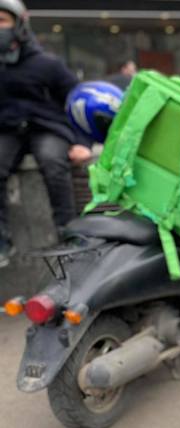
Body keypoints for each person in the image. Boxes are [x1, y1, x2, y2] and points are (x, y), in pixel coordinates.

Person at [0, 0, 93, 267]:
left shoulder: (48, 64)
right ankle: (2, 242)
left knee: (53, 161)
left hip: (48, 129)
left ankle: (69, 233)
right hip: (9, 131)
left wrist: (83, 142)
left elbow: (80, 102)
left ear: (20, 24)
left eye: (2, 21)